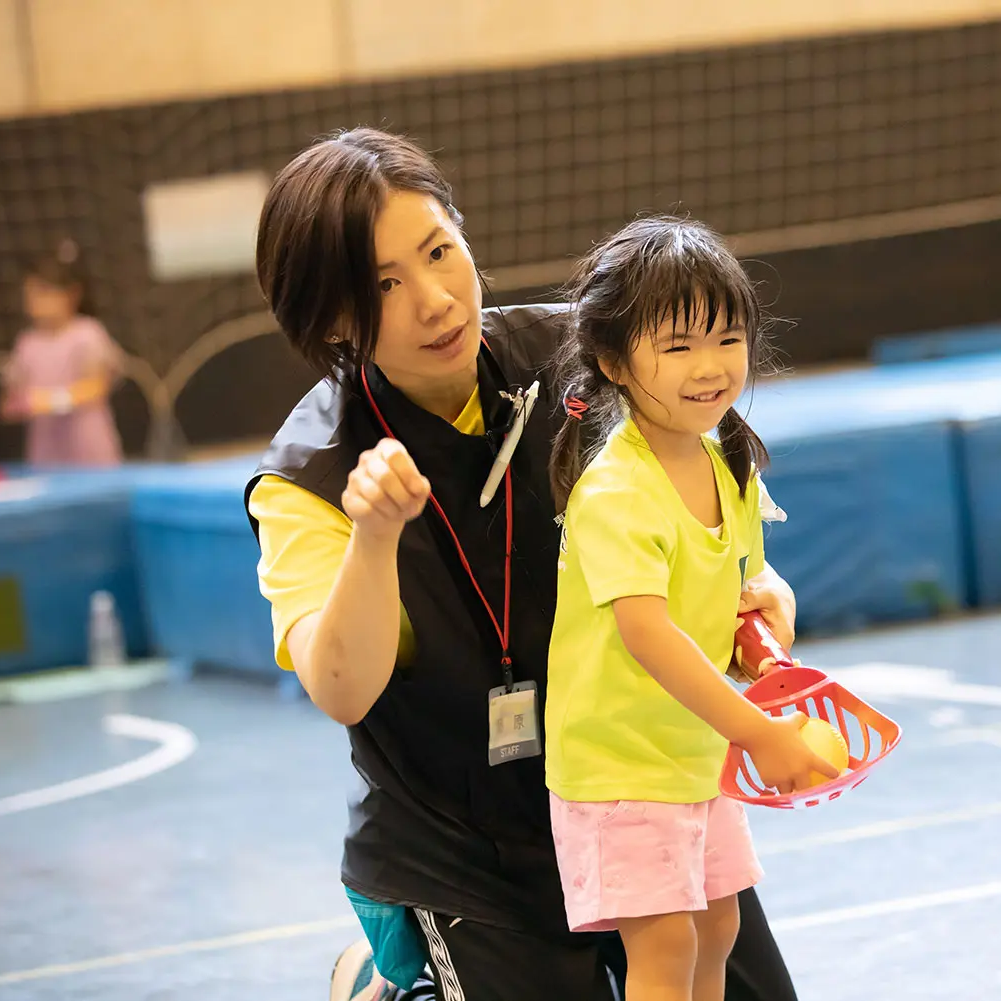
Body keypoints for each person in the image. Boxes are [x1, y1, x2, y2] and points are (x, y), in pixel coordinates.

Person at [245, 128, 806, 1001]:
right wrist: (374, 537)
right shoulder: (307, 473)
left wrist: (755, 591)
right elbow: (342, 688)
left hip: (642, 786)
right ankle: (390, 986)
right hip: (469, 847)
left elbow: (718, 499)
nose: (435, 300)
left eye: (440, 252)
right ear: (332, 319)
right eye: (384, 284)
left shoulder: (592, 359)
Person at [543, 217, 837, 1001]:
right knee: (666, 943)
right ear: (614, 362)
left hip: (694, 750)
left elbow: (746, 580)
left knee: (718, 926)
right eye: (678, 346)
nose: (710, 367)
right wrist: (758, 731)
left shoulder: (727, 459)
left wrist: (770, 610)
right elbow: (649, 635)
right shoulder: (616, 492)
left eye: (726, 338)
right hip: (619, 764)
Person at [0, 239, 124, 466]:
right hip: (46, 458)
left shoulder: (87, 333)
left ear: (71, 294)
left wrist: (51, 400)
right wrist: (18, 403)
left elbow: (97, 387)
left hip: (90, 453)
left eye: (43, 293)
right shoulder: (26, 343)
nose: (35, 302)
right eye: (30, 294)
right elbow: (9, 402)